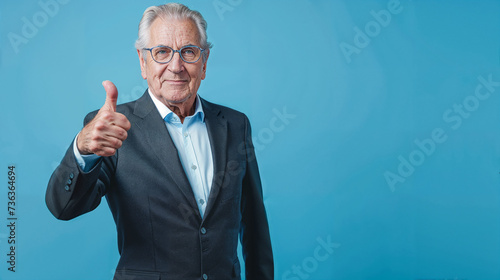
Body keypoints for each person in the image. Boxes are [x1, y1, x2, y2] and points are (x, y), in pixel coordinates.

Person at [45, 3, 273, 280]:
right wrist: (82, 150)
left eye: (188, 52)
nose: (175, 67)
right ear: (143, 61)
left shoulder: (236, 125)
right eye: (162, 52)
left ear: (204, 62)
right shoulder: (111, 128)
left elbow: (254, 224)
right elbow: (63, 208)